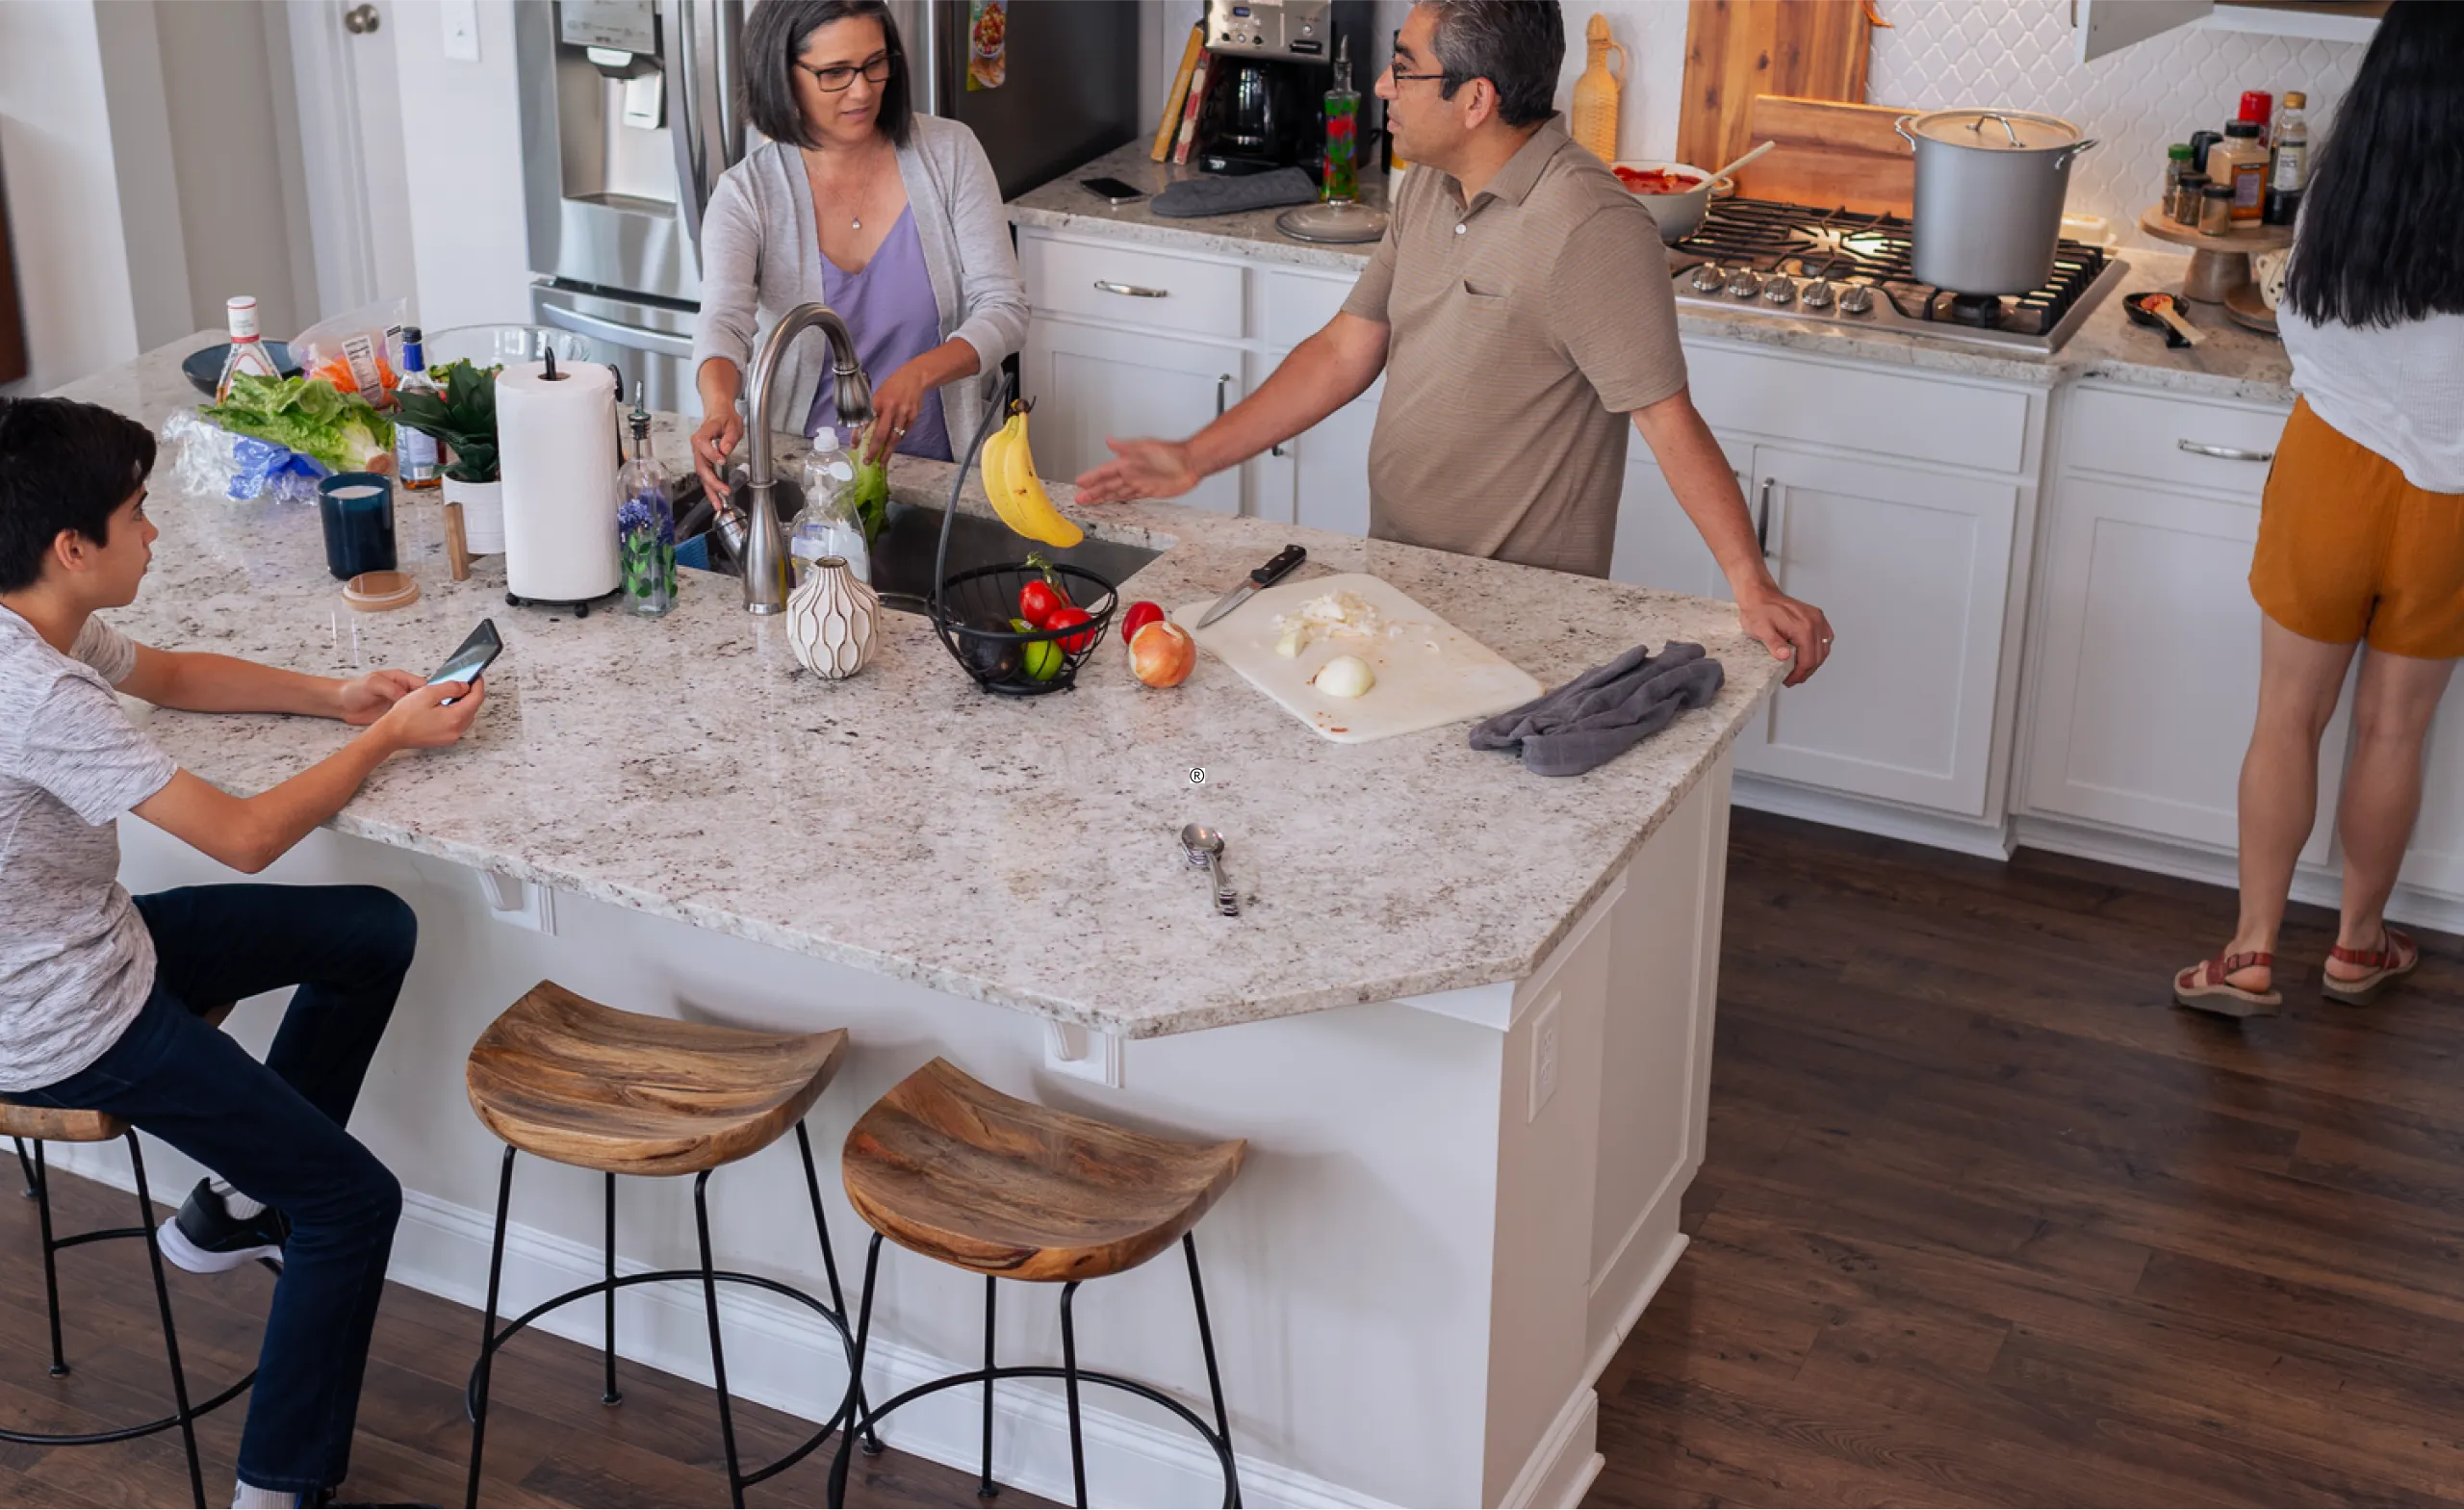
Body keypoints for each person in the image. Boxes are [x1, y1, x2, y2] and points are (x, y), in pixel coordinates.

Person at [0, 396, 484, 1510]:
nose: (153, 531)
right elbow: (248, 838)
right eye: (137, 513)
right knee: (352, 1205)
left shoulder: (35, 619)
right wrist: (385, 740)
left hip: (87, 945)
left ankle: (232, 1206)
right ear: (72, 547)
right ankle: (277, 1489)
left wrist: (335, 698)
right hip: (62, 1018)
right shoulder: (38, 696)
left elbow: (169, 675)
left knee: (371, 930)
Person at [1075, 0, 1833, 684]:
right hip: (1394, 578)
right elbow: (1343, 350)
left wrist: (1751, 583)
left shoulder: (1590, 227)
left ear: (1476, 100)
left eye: (1404, 69)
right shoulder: (1431, 187)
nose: (1382, 86)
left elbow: (1667, 417)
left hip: (1519, 615)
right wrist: (1194, 456)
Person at [2172, 0, 2464, 1018]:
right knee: (2394, 730)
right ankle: (2357, 945)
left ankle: (2250, 951)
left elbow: (2298, 312)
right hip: (2452, 502)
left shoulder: (2348, 179)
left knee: (2288, 716)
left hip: (2328, 470)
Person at [688, 0, 1028, 497]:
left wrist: (921, 373)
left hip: (949, 478)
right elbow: (724, 323)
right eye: (835, 73)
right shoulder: (746, 194)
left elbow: (1005, 307)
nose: (863, 90)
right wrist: (719, 406)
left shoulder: (950, 153)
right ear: (782, 75)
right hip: (806, 480)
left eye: (875, 63)